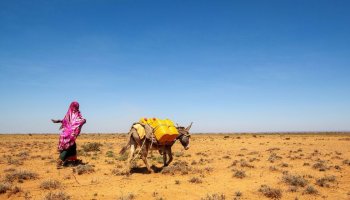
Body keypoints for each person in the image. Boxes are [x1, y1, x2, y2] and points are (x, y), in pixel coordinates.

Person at [52, 101, 86, 168]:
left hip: (65, 133)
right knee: (67, 147)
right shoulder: (77, 114)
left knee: (73, 145)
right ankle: (59, 161)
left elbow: (65, 121)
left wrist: (58, 121)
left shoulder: (69, 113)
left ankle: (74, 160)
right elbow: (80, 120)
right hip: (71, 134)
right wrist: (84, 120)